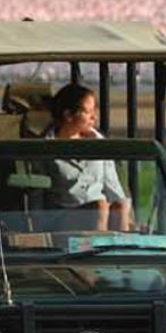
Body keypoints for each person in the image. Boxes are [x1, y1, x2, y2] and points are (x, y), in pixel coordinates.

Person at [46, 83, 131, 231]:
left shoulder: (99, 143)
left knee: (120, 205)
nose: (94, 117)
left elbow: (113, 186)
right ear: (68, 116)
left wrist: (125, 212)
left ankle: (125, 250)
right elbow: (36, 192)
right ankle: (97, 252)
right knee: (99, 207)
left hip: (100, 209)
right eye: (88, 112)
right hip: (63, 215)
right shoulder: (45, 148)